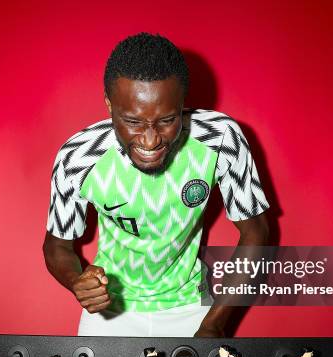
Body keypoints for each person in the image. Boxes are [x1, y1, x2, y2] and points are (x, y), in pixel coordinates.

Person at [44, 32, 269, 337]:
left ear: (182, 104)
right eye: (133, 122)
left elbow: (256, 233)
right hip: (110, 311)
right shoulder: (78, 157)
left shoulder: (221, 139)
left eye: (166, 120)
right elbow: (57, 246)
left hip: (190, 308)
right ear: (109, 105)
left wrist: (215, 322)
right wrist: (76, 280)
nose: (150, 140)